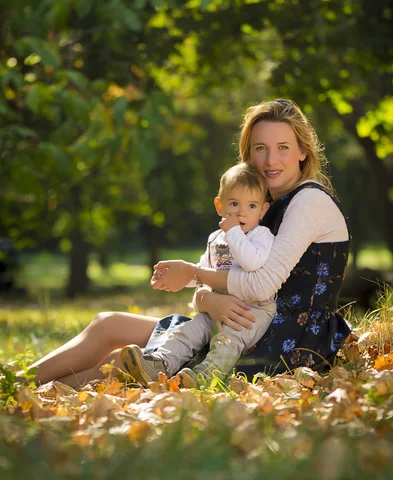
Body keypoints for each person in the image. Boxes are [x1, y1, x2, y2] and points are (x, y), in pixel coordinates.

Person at [27, 98, 351, 388]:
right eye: (259, 148)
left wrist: (195, 276)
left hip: (284, 340)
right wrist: (209, 300)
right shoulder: (256, 204)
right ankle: (15, 383)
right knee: (107, 324)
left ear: (303, 151)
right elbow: (219, 275)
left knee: (122, 363)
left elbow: (262, 284)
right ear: (247, 154)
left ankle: (25, 393)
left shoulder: (308, 201)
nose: (270, 160)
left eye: (282, 147)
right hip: (238, 320)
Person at [119, 162, 276, 388]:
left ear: (263, 210)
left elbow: (252, 262)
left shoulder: (262, 235)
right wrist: (177, 277)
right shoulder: (216, 239)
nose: (242, 212)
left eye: (252, 206)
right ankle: (160, 364)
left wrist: (232, 232)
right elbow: (203, 272)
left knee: (228, 337)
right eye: (234, 203)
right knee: (189, 330)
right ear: (219, 206)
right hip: (217, 306)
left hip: (252, 311)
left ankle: (206, 375)